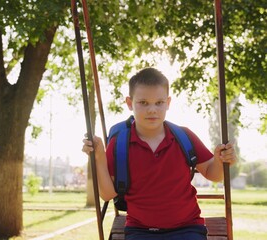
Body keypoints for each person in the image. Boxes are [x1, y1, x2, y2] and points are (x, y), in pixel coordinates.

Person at [82, 67, 237, 240]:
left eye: (159, 103)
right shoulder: (119, 144)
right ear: (129, 103)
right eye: (143, 103)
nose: (152, 110)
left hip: (187, 228)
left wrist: (221, 160)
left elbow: (212, 173)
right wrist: (99, 158)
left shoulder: (183, 137)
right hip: (140, 230)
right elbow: (107, 194)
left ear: (168, 103)